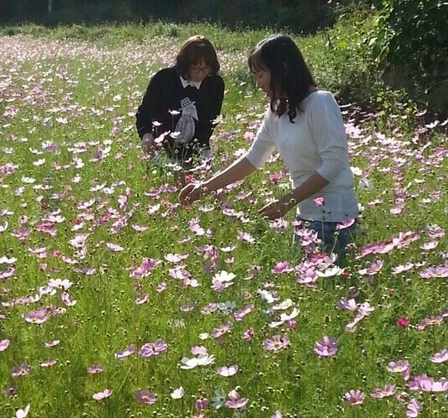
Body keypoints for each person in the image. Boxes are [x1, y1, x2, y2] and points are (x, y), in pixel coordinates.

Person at [179, 34, 359, 257]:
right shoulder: (277, 112)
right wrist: (204, 187)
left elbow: (333, 165)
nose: (259, 83)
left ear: (282, 70)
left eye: (261, 74)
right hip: (306, 219)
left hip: (336, 222)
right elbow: (252, 159)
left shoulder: (320, 103)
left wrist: (284, 203)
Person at [136, 35, 225, 165]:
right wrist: (146, 135)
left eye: (206, 69)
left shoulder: (215, 84)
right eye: (195, 68)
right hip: (163, 151)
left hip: (198, 151)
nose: (201, 73)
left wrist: (195, 150)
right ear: (184, 64)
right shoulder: (164, 80)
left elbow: (211, 120)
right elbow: (144, 112)